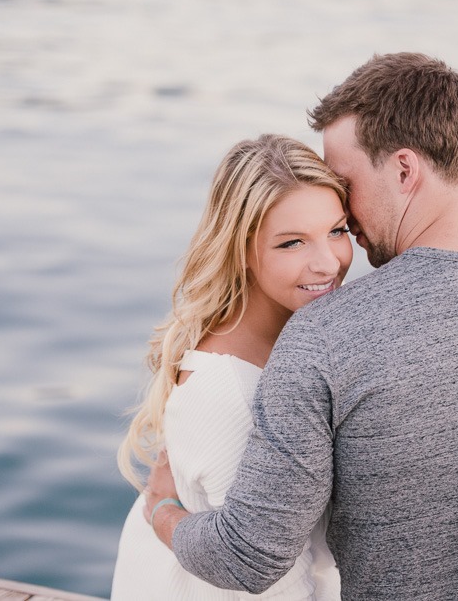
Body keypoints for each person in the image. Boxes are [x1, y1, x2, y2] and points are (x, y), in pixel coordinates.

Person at [145, 53, 458, 600]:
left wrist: (162, 510)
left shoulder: (326, 337)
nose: (346, 216)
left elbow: (248, 558)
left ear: (404, 170)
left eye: (345, 183)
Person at [111, 134, 351, 600]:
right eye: (292, 243)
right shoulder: (228, 391)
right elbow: (276, 590)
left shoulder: (295, 339)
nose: (328, 263)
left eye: (337, 231)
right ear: (241, 249)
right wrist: (163, 511)